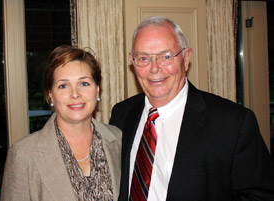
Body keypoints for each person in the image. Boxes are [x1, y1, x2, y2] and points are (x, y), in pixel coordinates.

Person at [109, 16, 274, 201]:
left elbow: (260, 195)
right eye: (144, 58)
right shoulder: (122, 115)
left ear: (186, 58)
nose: (154, 68)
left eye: (166, 56)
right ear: (133, 61)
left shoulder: (233, 123)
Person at [1, 45, 122, 201]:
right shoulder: (23, 154)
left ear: (97, 90)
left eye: (84, 83)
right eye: (63, 86)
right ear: (51, 95)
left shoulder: (119, 140)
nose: (75, 94)